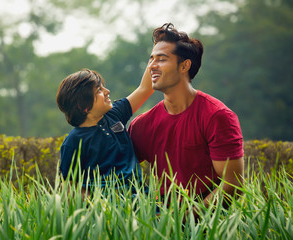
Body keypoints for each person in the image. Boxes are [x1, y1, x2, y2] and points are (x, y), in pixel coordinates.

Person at [128, 23, 244, 210]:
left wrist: (184, 220)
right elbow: (119, 171)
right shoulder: (142, 125)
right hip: (160, 221)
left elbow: (233, 184)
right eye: (151, 59)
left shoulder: (217, 117)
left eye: (162, 59)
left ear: (185, 66)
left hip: (210, 224)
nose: (152, 66)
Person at [56, 68, 153, 197]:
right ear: (83, 106)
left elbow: (145, 89)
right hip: (109, 210)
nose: (107, 91)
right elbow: (69, 187)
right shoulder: (73, 142)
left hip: (142, 200)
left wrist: (156, 52)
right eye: (99, 91)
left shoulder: (114, 115)